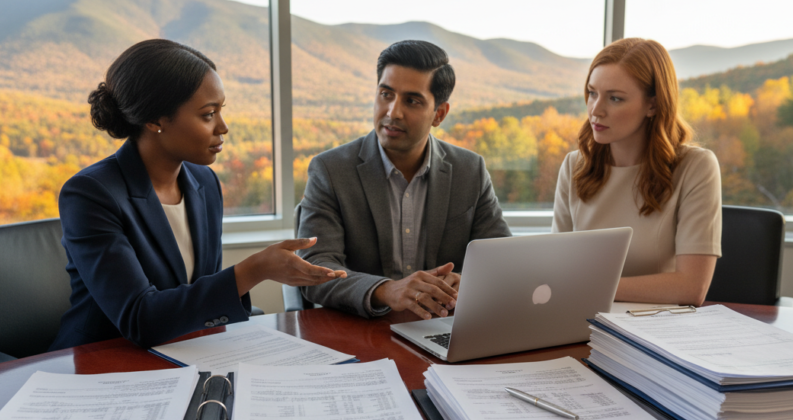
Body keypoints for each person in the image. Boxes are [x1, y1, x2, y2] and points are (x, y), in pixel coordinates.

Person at [50, 39, 344, 350]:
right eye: (208, 114)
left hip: (185, 354)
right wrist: (253, 270)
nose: (223, 127)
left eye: (221, 110)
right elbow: (140, 318)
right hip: (103, 365)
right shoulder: (91, 194)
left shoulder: (204, 183)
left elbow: (200, 296)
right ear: (154, 120)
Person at [297, 40, 511, 320]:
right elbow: (315, 268)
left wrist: (465, 280)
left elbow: (502, 259)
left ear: (439, 114)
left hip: (444, 330)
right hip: (364, 330)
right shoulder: (330, 170)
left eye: (412, 100)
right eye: (386, 94)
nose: (392, 112)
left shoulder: (469, 170)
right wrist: (386, 290)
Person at [552, 37, 721, 306]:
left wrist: (589, 286)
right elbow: (556, 269)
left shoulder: (696, 166)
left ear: (652, 105)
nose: (596, 110)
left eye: (615, 98)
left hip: (659, 327)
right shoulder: (575, 165)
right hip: (583, 318)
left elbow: (691, 288)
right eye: (592, 93)